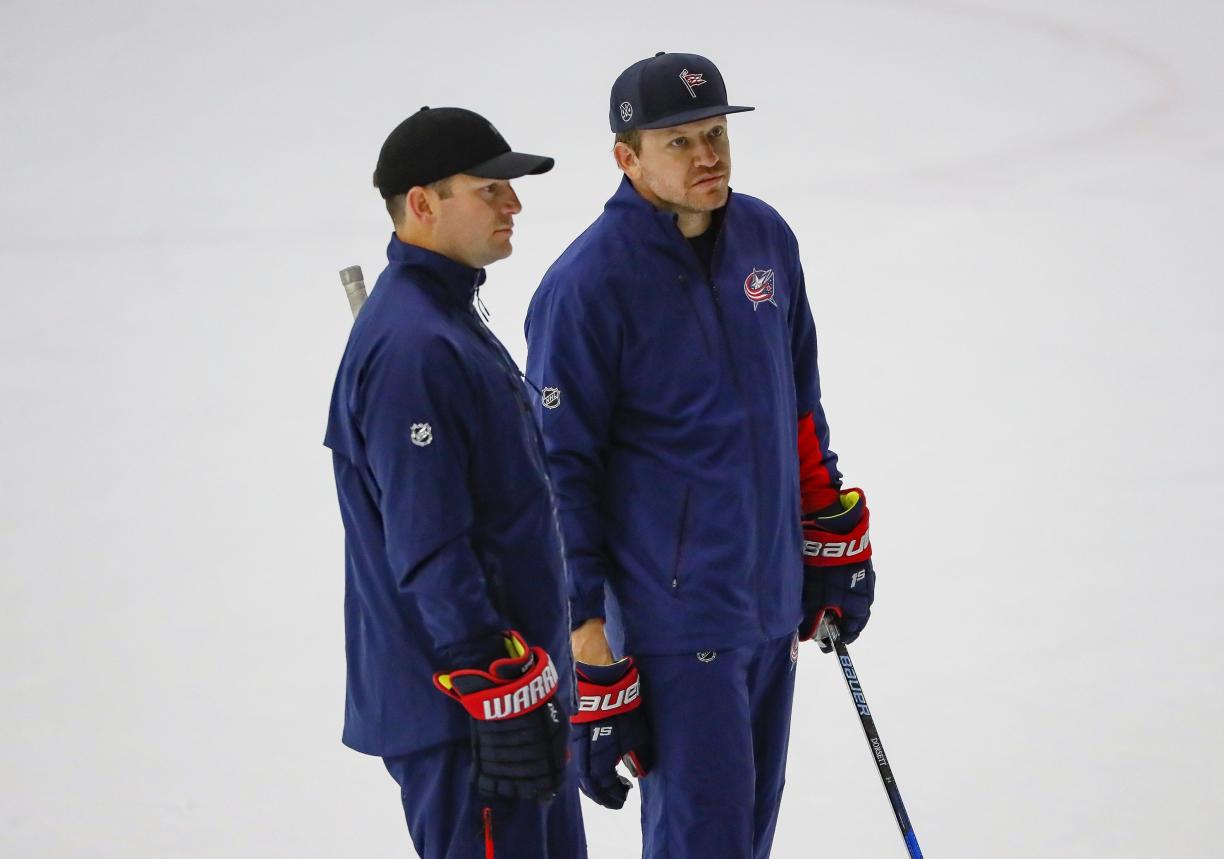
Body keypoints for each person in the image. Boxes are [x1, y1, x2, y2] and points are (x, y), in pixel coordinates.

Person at [524, 53, 878, 859]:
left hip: (769, 604)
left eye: (714, 133)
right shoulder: (585, 286)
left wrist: (827, 535)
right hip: (675, 625)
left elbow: (797, 402)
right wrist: (585, 638)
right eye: (678, 142)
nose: (707, 154)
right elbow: (560, 474)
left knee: (745, 839)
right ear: (627, 157)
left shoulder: (763, 237)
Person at [324, 106, 587, 858]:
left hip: (518, 696)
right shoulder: (412, 345)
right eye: (491, 189)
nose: (514, 203)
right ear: (422, 203)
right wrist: (490, 681)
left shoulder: (447, 317)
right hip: (468, 717)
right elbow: (429, 543)